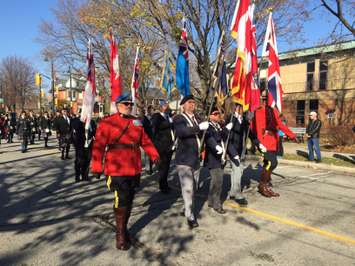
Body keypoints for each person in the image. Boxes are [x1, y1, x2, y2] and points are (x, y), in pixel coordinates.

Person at [91, 93, 160, 250]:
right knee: (121, 200)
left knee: (129, 200)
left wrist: (154, 155)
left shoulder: (136, 122)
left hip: (134, 168)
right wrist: (96, 166)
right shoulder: (107, 122)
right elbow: (99, 146)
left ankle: (124, 228)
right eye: (125, 104)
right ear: (117, 105)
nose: (129, 106)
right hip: (116, 168)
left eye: (130, 104)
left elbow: (145, 141)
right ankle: (120, 235)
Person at [252, 91, 298, 197]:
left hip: (272, 141)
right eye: (264, 99)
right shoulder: (258, 111)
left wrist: (292, 135)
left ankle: (265, 184)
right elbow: (256, 128)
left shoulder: (273, 111)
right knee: (270, 163)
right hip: (264, 142)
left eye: (266, 99)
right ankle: (262, 185)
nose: (265, 101)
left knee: (272, 163)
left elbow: (280, 125)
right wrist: (259, 143)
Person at [173, 95, 209, 229]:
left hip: (195, 159)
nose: (192, 105)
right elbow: (182, 132)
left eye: (193, 103)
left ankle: (185, 207)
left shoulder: (197, 119)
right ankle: (190, 215)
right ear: (183, 105)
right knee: (188, 189)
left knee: (194, 187)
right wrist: (199, 127)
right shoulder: (179, 118)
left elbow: (205, 133)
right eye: (189, 103)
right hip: (183, 159)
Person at [204, 106, 232, 214]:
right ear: (210, 116)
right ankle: (217, 204)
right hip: (213, 158)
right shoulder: (208, 126)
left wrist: (226, 129)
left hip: (221, 157)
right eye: (215, 114)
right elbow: (214, 138)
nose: (217, 116)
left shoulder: (219, 125)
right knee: (218, 182)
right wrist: (225, 130)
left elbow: (223, 137)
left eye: (218, 114)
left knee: (214, 181)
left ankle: (211, 200)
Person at [226, 103, 251, 206]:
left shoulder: (244, 120)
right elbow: (228, 138)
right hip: (233, 150)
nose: (243, 109)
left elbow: (250, 133)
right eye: (242, 107)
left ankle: (232, 192)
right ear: (237, 108)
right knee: (237, 170)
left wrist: (258, 144)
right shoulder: (230, 119)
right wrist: (233, 153)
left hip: (241, 150)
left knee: (237, 171)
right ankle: (238, 194)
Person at [151, 100, 174, 193]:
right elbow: (154, 129)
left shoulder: (168, 117)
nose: (167, 107)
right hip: (161, 146)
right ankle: (162, 186)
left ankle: (165, 184)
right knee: (162, 167)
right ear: (161, 107)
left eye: (167, 105)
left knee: (167, 166)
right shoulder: (157, 116)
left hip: (169, 146)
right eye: (165, 105)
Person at [72, 115, 96, 182]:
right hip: (80, 145)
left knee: (87, 160)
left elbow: (95, 132)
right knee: (79, 161)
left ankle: (85, 176)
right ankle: (77, 176)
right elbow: (75, 127)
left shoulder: (92, 122)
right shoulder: (78, 121)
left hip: (89, 144)